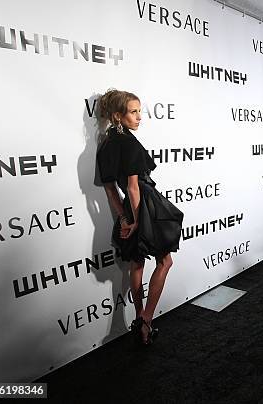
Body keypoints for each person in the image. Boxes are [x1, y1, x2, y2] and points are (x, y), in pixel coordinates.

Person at [96, 89, 184, 345]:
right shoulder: (129, 143)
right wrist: (137, 221)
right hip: (144, 205)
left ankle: (137, 319)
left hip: (129, 208)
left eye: (139, 111)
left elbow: (112, 189)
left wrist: (124, 219)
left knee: (137, 263)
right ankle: (146, 319)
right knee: (165, 262)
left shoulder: (107, 144)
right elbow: (134, 188)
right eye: (133, 112)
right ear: (117, 116)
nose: (139, 117)